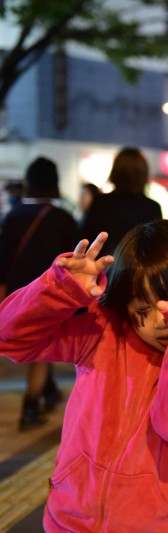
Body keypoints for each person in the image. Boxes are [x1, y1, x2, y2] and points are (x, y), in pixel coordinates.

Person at [0, 220, 168, 531]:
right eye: (141, 311)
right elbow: (9, 338)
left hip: (154, 524)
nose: (157, 324)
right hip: (71, 516)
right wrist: (60, 290)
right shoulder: (103, 332)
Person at [0, 156, 78, 430]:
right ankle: (31, 405)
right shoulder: (63, 219)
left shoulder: (12, 216)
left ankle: (46, 391)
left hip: (16, 295)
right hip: (49, 294)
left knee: (22, 345)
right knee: (43, 347)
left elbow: (4, 260)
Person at [82, 146, 162, 257]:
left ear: (115, 172)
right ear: (143, 174)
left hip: (102, 268)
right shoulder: (152, 207)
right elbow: (156, 249)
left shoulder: (101, 203)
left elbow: (86, 239)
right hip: (139, 271)